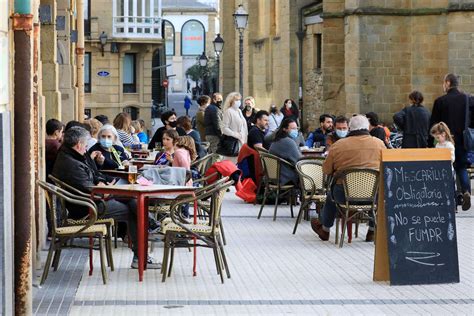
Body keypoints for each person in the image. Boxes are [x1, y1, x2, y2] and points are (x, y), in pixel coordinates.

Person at [52, 126, 161, 269]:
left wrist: (103, 185)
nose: (86, 149)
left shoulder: (71, 156)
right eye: (85, 145)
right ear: (78, 144)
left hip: (87, 202)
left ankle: (146, 238)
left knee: (134, 201)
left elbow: (92, 177)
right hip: (87, 208)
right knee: (134, 209)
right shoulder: (71, 163)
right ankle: (142, 254)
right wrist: (105, 190)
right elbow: (92, 190)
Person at [311, 115, 386, 242]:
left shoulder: (338, 145)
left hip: (344, 195)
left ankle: (325, 229)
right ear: (367, 127)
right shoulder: (379, 144)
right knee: (381, 199)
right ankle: (372, 231)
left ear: (350, 128)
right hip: (373, 195)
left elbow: (326, 170)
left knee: (331, 195)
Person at [430, 73, 474, 211]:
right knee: (461, 168)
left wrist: (429, 142)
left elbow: (433, 124)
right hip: (462, 140)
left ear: (448, 83)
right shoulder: (467, 99)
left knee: (446, 171)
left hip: (445, 140)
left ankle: (453, 201)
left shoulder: (440, 101)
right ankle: (466, 191)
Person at [269, 118, 302, 185]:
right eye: (293, 128)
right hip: (286, 177)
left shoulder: (277, 139)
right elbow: (299, 161)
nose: (295, 131)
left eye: (296, 129)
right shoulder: (288, 142)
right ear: (284, 129)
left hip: (276, 175)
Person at [222, 92, 248, 159]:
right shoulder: (228, 111)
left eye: (239, 100)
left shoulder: (239, 111)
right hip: (233, 142)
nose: (238, 102)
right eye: (236, 100)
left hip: (242, 142)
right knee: (233, 163)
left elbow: (243, 125)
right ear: (231, 101)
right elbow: (224, 128)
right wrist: (235, 134)